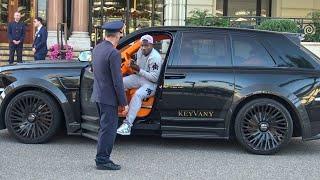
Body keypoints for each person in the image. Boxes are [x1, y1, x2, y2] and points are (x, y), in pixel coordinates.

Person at [91, 20, 129, 171]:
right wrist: (124, 103)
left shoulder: (97, 48)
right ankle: (102, 160)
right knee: (109, 130)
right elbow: (117, 82)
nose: (122, 34)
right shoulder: (114, 53)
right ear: (118, 33)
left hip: (98, 95)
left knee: (104, 128)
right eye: (122, 32)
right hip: (109, 98)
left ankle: (101, 158)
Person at [117, 35, 162, 135]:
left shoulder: (155, 57)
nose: (143, 48)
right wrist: (133, 65)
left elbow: (155, 78)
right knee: (120, 83)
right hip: (140, 78)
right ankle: (123, 108)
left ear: (152, 45)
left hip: (152, 84)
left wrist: (138, 70)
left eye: (146, 46)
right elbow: (138, 69)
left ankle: (127, 124)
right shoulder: (140, 52)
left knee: (138, 95)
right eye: (142, 45)